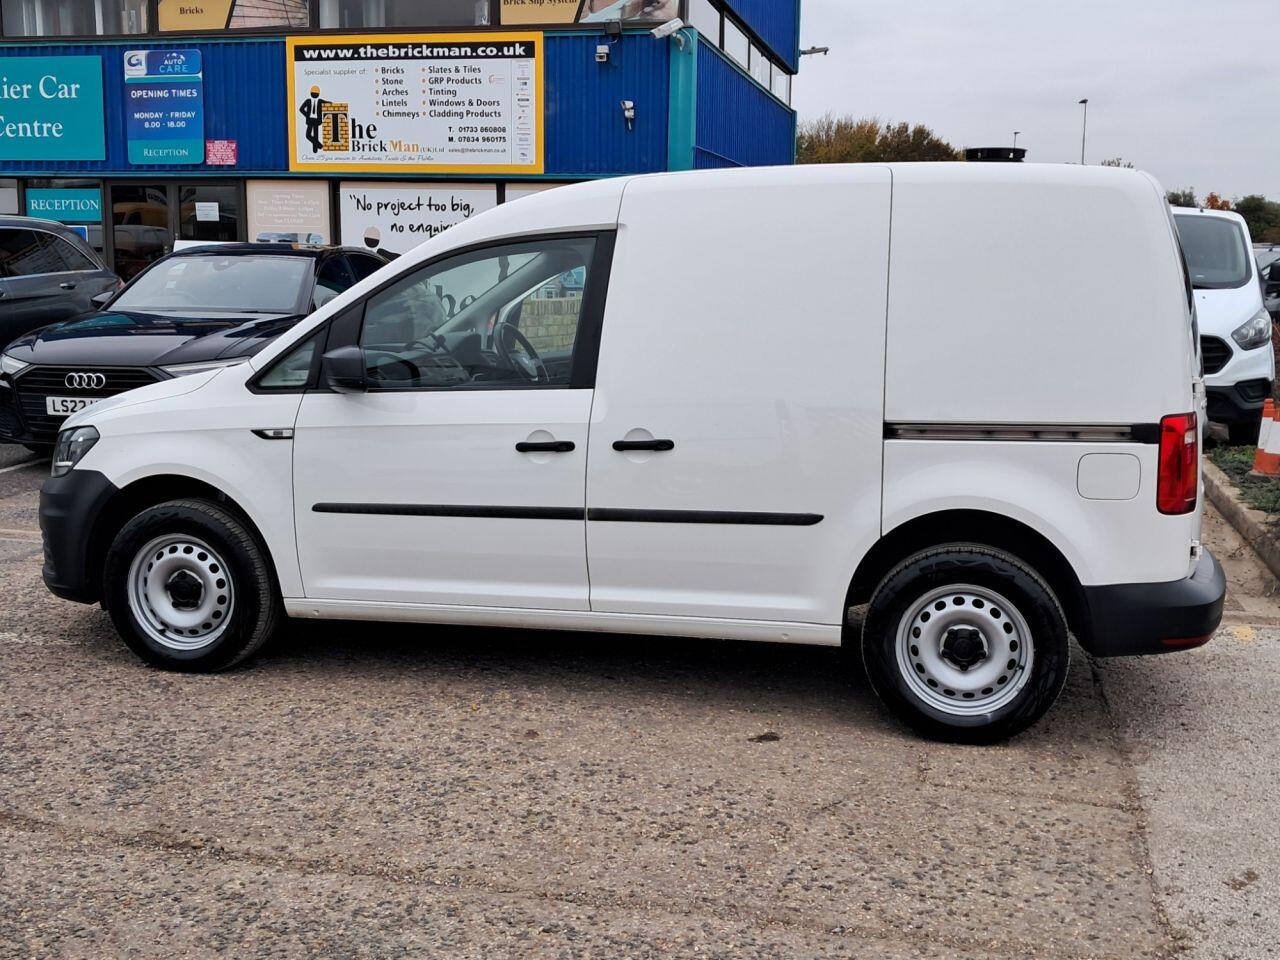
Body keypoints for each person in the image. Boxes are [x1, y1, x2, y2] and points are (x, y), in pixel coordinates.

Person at [299, 85, 328, 154]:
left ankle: (315, 150)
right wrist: (307, 116)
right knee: (308, 135)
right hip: (310, 120)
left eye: (316, 93)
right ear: (311, 93)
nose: (315, 94)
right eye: (314, 93)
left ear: (318, 94)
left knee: (316, 135)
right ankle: (320, 146)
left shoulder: (320, 101)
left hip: (317, 120)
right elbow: (301, 109)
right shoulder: (308, 101)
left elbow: (328, 103)